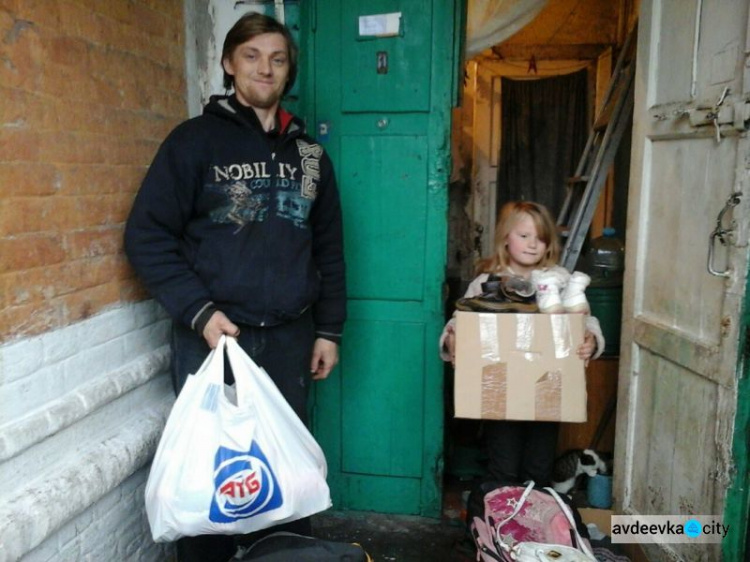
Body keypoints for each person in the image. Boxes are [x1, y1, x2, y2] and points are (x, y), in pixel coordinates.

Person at [124, 12, 346, 562]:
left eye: (276, 57)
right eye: (251, 56)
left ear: (289, 68)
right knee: (216, 474)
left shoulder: (311, 156)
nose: (264, 68)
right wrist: (198, 313)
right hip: (216, 340)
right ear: (228, 63)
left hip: (292, 337)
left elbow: (329, 248)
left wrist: (329, 329)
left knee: (284, 476)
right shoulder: (192, 142)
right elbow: (147, 236)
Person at [439, 201, 603, 487]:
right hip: (500, 395)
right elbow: (461, 321)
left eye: (540, 238)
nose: (532, 245)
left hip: (547, 392)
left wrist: (591, 340)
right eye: (524, 236)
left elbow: (585, 321)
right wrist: (453, 339)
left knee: (538, 471)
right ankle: (497, 528)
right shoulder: (486, 282)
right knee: (503, 469)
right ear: (506, 237)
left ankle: (531, 525)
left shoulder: (560, 281)